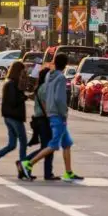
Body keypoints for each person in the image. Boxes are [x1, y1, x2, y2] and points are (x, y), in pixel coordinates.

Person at [21, 53, 82, 182]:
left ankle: (68, 172)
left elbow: (48, 94)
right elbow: (59, 98)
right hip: (58, 115)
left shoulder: (49, 75)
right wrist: (64, 113)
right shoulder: (60, 78)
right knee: (53, 145)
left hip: (50, 112)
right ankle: (28, 164)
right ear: (65, 65)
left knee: (67, 143)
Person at [25, 68, 57, 181]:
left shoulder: (42, 87)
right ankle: (25, 162)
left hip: (41, 120)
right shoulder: (45, 88)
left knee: (48, 147)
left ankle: (48, 173)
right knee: (48, 147)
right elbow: (45, 106)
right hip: (44, 120)